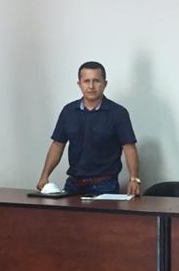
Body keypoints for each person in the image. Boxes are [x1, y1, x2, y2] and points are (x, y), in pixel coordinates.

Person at [37, 61, 140, 197]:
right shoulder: (68, 111)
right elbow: (57, 145)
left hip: (105, 185)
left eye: (96, 81)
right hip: (73, 184)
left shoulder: (118, 113)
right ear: (79, 84)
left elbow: (129, 147)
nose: (91, 86)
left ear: (105, 84)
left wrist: (134, 179)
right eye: (86, 81)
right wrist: (44, 176)